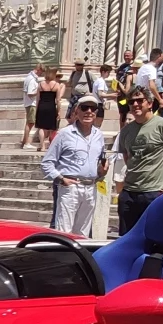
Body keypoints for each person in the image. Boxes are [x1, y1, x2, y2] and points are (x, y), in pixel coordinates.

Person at [114, 88, 163, 234]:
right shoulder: (125, 131)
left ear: (150, 103)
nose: (135, 104)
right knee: (126, 238)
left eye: (140, 100)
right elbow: (127, 158)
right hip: (129, 193)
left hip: (153, 192)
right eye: (131, 102)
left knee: (154, 236)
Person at [41, 94, 109, 236]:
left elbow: (99, 162)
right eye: (84, 108)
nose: (88, 111)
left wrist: (102, 170)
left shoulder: (99, 135)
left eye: (92, 109)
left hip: (90, 187)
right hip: (70, 187)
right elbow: (47, 163)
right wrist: (61, 179)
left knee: (83, 233)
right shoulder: (64, 134)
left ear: (96, 112)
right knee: (64, 231)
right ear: (76, 111)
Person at [34, 68, 62, 150]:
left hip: (42, 106)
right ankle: (51, 145)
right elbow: (58, 100)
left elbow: (37, 99)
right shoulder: (56, 85)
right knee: (52, 127)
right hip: (51, 107)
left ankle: (42, 145)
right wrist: (59, 111)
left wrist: (37, 110)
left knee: (41, 127)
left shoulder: (40, 84)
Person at [20, 61, 45, 148]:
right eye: (41, 71)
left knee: (29, 122)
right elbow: (30, 93)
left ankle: (24, 142)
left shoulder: (29, 77)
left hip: (29, 103)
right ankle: (26, 143)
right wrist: (39, 92)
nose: (41, 74)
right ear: (38, 69)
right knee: (30, 123)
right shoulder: (31, 80)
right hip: (31, 103)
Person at [115, 50, 136, 125]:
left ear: (132, 56)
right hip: (121, 95)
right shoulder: (121, 67)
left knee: (130, 111)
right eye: (125, 55)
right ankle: (121, 129)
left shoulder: (133, 66)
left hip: (130, 94)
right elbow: (117, 79)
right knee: (122, 112)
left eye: (128, 55)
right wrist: (117, 89)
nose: (126, 57)